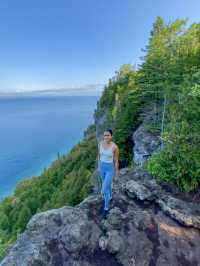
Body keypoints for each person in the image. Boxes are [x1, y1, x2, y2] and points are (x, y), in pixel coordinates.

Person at [98, 129, 119, 219]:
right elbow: (99, 155)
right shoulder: (100, 144)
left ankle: (106, 209)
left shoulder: (115, 147)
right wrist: (99, 166)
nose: (106, 137)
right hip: (102, 168)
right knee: (107, 185)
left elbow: (116, 160)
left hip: (110, 169)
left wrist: (116, 171)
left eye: (108, 135)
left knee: (104, 189)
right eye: (105, 135)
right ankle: (110, 197)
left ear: (111, 136)